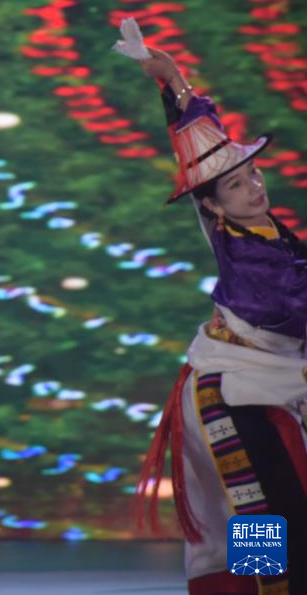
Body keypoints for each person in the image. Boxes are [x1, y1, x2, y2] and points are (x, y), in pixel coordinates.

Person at [133, 47, 307, 595]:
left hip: (275, 378)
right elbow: (295, 306)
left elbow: (199, 133)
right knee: (264, 506)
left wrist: (174, 80)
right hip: (233, 394)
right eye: (236, 187)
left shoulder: (261, 227)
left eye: (253, 174)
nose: (255, 188)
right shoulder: (248, 256)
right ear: (212, 208)